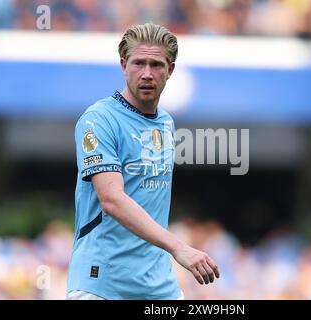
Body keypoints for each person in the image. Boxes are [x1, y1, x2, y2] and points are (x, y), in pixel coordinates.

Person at [66, 23, 219, 300]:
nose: (147, 73)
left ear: (170, 70)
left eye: (156, 64)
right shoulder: (98, 120)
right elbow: (112, 200)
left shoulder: (166, 123)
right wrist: (179, 247)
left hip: (158, 286)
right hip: (102, 283)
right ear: (124, 65)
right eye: (139, 63)